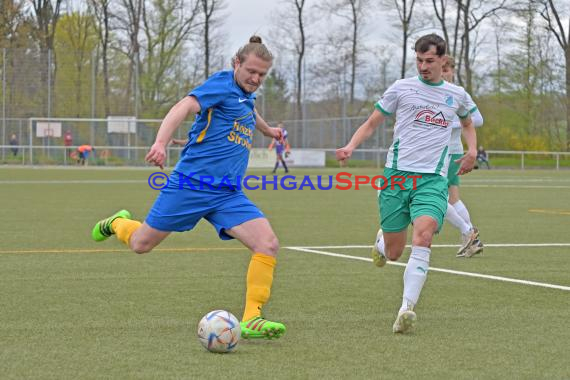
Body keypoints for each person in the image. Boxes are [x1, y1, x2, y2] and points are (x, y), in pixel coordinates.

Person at [91, 36, 286, 340]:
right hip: (191, 185)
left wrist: (269, 130)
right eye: (251, 71)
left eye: (262, 75)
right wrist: (160, 142)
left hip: (227, 194)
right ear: (236, 63)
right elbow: (184, 106)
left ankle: (252, 318)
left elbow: (250, 111)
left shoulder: (245, 95)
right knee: (141, 244)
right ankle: (117, 223)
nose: (256, 79)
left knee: (268, 244)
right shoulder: (221, 85)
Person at [336, 34, 478, 334]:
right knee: (395, 252)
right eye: (419, 60)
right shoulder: (402, 88)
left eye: (429, 61)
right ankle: (381, 243)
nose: (423, 66)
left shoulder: (456, 95)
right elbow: (373, 121)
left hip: (432, 180)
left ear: (443, 60)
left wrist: (472, 151)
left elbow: (467, 123)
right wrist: (351, 145)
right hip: (397, 176)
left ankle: (406, 309)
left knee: (423, 236)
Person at [441, 56, 484, 258]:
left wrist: (451, 125)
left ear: (452, 72)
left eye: (446, 70)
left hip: (449, 151)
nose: (443, 73)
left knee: (434, 196)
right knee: (453, 197)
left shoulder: (458, 94)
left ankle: (468, 232)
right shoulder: (428, 91)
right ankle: (472, 240)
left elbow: (477, 119)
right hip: (437, 152)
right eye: (440, 69)